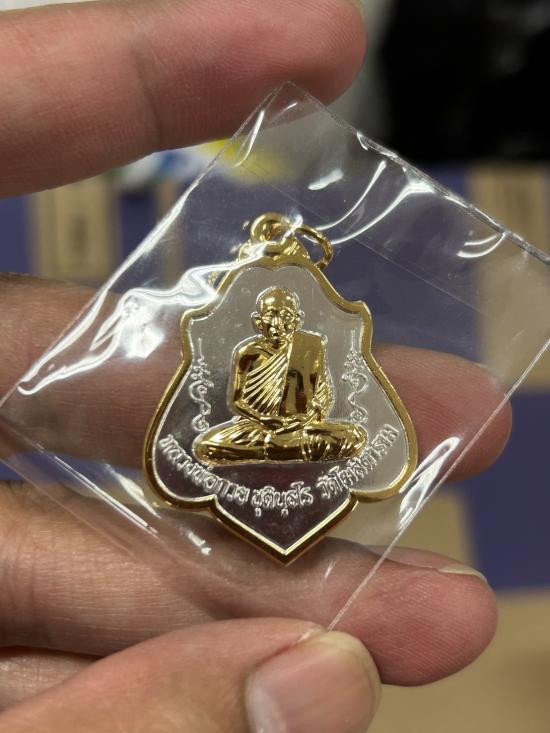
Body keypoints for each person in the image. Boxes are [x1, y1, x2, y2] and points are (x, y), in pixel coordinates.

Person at [0, 1, 512, 731]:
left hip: (303, 439)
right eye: (267, 318)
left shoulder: (312, 345)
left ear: (293, 317)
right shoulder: (242, 348)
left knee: (335, 437)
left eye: (279, 318)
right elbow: (237, 407)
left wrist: (297, 422)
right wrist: (262, 423)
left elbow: (321, 404)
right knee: (219, 441)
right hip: (253, 440)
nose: (273, 326)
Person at [195, 288, 367, 464]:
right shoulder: (247, 353)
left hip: (302, 427)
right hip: (258, 428)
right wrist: (263, 419)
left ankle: (273, 449)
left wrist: (306, 418)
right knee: (206, 446)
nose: (277, 324)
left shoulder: (312, 346)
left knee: (355, 437)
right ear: (258, 321)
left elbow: (325, 395)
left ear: (297, 320)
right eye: (270, 316)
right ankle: (284, 449)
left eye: (286, 316)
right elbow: (237, 402)